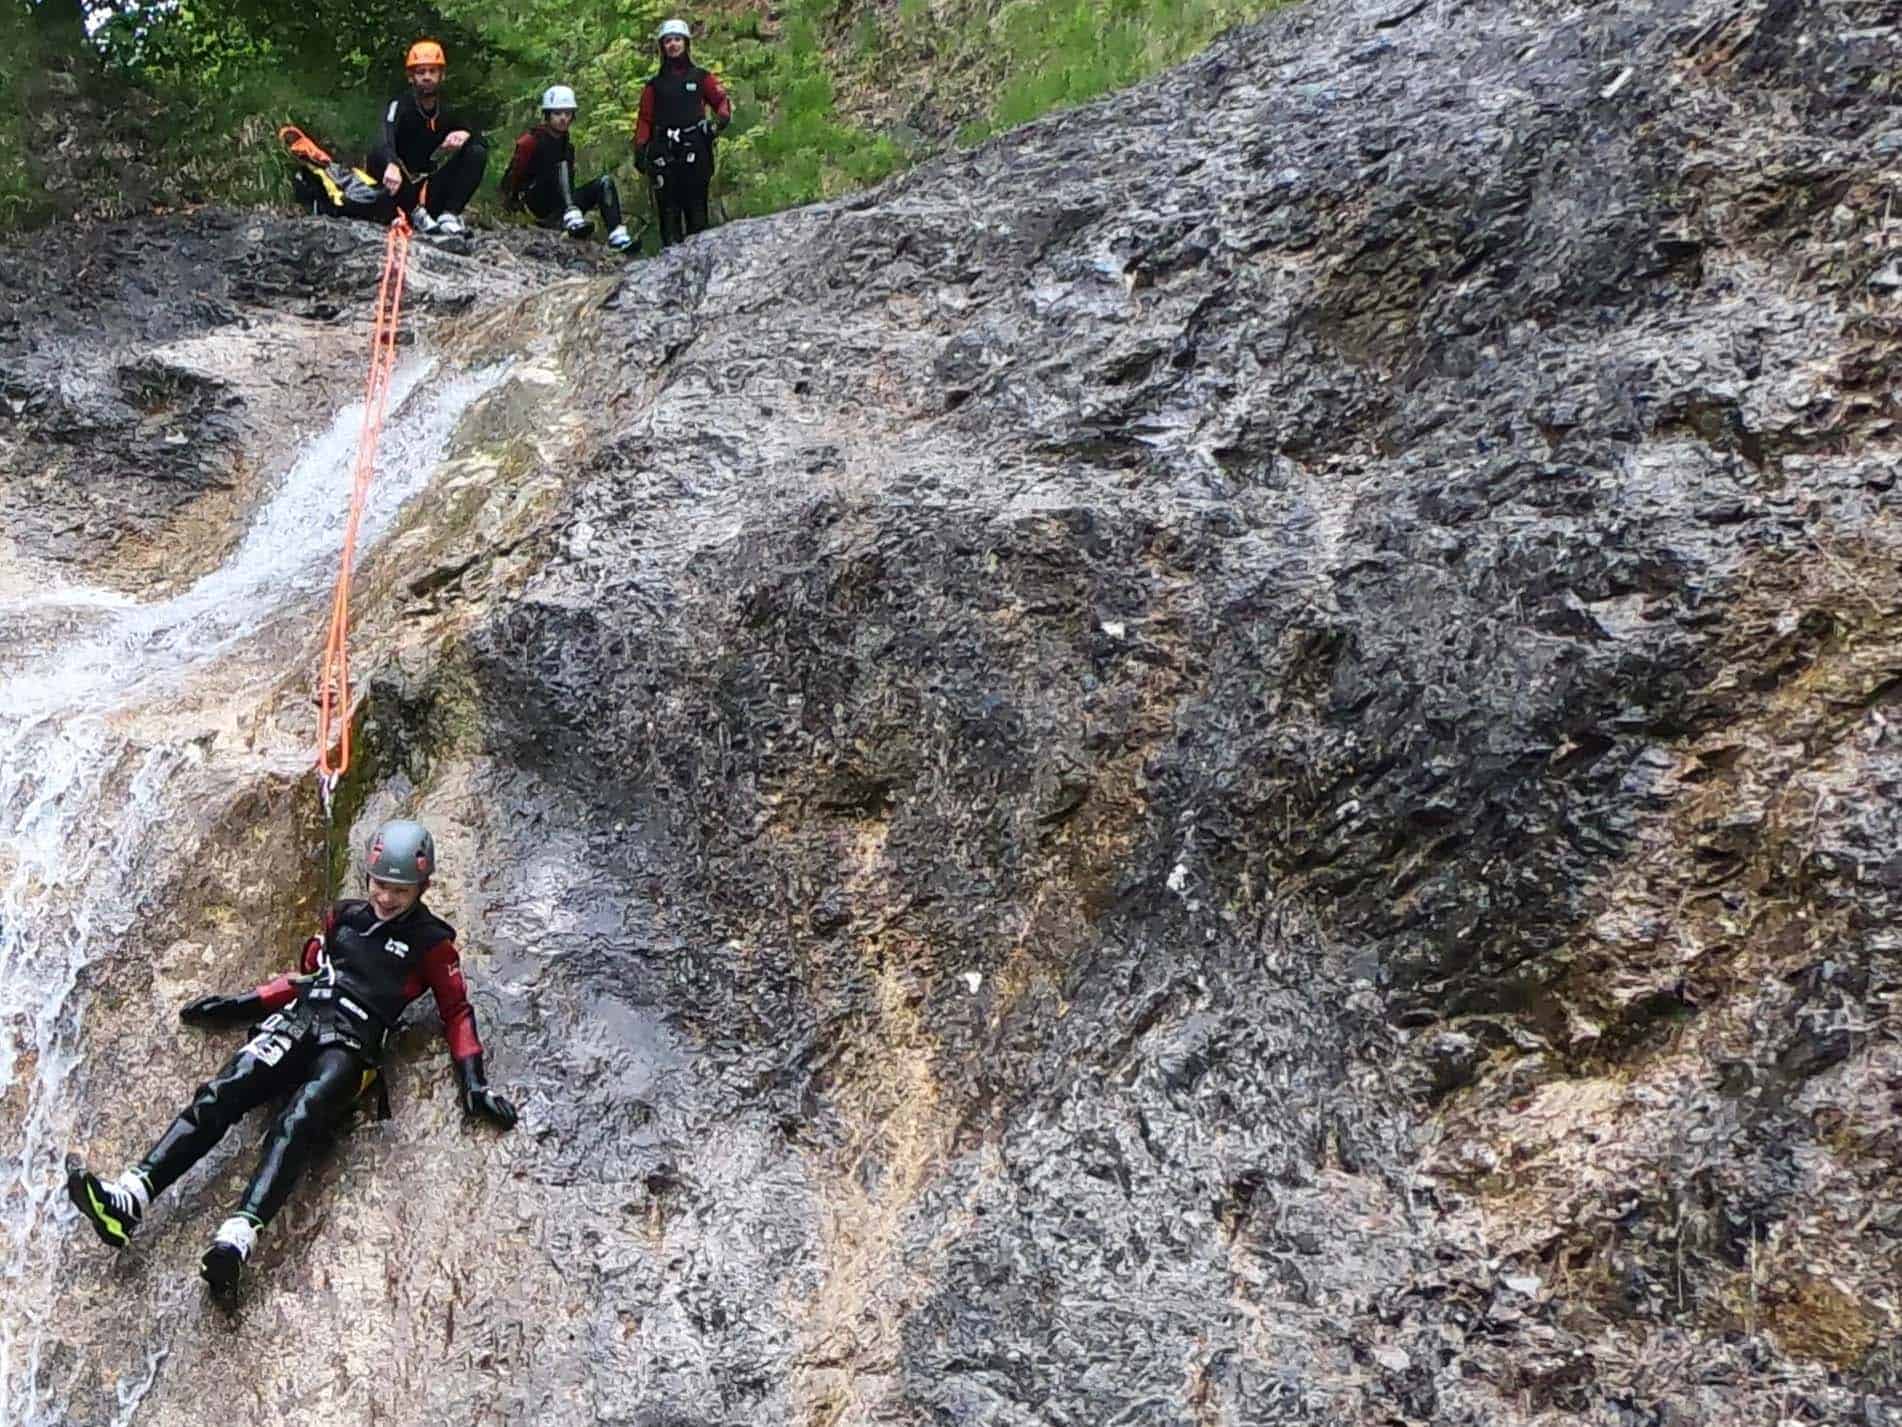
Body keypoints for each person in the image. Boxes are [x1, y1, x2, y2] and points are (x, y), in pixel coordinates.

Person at [66, 819, 517, 1294]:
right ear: (368, 876)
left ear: (422, 888)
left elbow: (456, 1010)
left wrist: (473, 1081)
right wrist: (240, 1004)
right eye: (380, 884)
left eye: (400, 890)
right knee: (225, 1090)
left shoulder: (432, 943)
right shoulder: (344, 917)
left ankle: (237, 1239)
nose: (386, 897)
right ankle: (130, 1197)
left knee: (299, 1118)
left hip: (353, 1044)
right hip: (302, 1018)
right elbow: (305, 978)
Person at [370, 40, 489, 238]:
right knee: (379, 156)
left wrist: (466, 135)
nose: (427, 77)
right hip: (399, 186)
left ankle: (449, 215)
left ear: (441, 75)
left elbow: (480, 138)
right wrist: (390, 164)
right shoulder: (401, 106)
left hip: (431, 186)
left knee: (476, 152)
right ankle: (414, 213)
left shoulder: (448, 109)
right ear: (411, 77)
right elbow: (383, 136)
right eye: (421, 72)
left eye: (432, 72)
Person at [634, 18, 731, 248]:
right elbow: (645, 119)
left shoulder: (700, 77)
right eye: (668, 41)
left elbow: (722, 102)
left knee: (697, 210)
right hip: (664, 153)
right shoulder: (654, 85)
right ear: (662, 47)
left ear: (686, 43)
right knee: (668, 214)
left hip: (695, 151)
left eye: (677, 40)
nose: (673, 45)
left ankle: (700, 265)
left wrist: (716, 125)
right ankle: (669, 269)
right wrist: (640, 150)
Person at [501, 84, 634, 251]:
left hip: (562, 205)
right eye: (557, 113)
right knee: (560, 165)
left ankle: (617, 235)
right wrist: (511, 204)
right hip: (538, 202)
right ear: (548, 115)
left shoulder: (567, 146)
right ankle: (570, 216)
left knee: (604, 183)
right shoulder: (531, 141)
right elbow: (513, 175)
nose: (563, 118)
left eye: (567, 113)